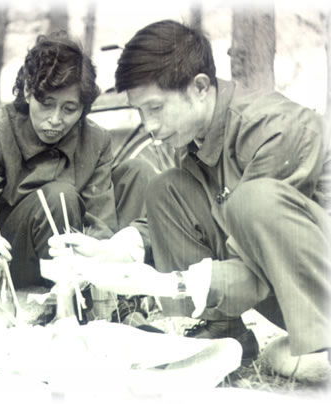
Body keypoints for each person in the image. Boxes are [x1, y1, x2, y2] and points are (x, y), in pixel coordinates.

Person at [49, 20, 330, 364]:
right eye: (141, 112)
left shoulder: (275, 129)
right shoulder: (200, 134)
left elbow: (255, 266)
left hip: (319, 298)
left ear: (199, 87)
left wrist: (165, 284)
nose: (150, 127)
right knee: (166, 190)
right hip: (294, 285)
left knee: (250, 202)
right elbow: (202, 211)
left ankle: (318, 351)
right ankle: (224, 331)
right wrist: (114, 250)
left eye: (156, 108)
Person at [0, 32, 155, 302]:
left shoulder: (95, 139)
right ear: (27, 92)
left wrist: (99, 253)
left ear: (83, 108)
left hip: (77, 253)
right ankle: (68, 303)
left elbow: (101, 221)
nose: (55, 120)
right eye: (46, 105)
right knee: (58, 195)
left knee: (138, 172)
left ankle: (118, 294)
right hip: (8, 261)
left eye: (69, 109)